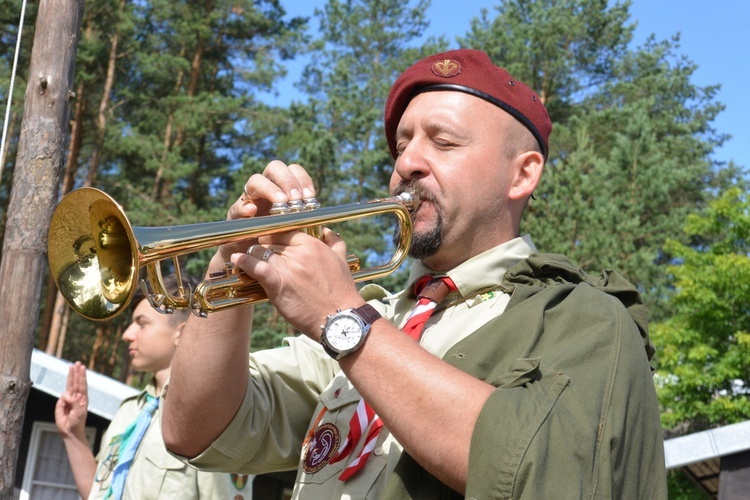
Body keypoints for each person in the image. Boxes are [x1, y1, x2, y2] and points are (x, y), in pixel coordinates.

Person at [161, 49, 668, 499]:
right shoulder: (380, 318)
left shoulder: (583, 319)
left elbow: (539, 469)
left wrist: (342, 316)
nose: (408, 163)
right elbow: (195, 429)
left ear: (523, 173)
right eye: (400, 146)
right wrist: (232, 256)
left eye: (443, 142)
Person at [54, 273, 251, 499]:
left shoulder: (209, 418)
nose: (127, 335)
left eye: (142, 324)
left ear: (183, 333)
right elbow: (98, 493)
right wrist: (73, 434)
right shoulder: (130, 412)